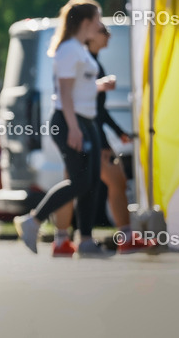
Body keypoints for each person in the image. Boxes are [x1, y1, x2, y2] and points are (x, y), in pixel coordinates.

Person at [15, 0, 113, 258]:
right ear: (86, 21)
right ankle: (32, 221)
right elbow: (65, 93)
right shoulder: (69, 49)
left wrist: (101, 85)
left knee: (90, 182)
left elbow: (80, 86)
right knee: (80, 181)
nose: (100, 25)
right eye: (98, 19)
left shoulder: (79, 48)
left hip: (85, 120)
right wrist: (73, 127)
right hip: (72, 120)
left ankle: (86, 241)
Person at [49, 23, 151, 256]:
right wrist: (107, 136)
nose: (108, 35)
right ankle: (124, 237)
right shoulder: (85, 60)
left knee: (73, 184)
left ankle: (62, 241)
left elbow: (93, 106)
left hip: (80, 129)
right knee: (114, 182)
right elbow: (83, 101)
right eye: (102, 31)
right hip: (84, 131)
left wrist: (117, 131)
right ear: (89, 35)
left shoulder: (86, 60)